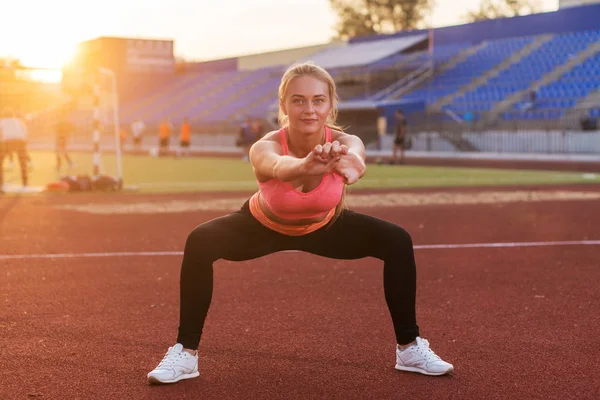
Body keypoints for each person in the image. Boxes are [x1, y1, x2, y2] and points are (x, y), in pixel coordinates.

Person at [147, 62, 454, 384]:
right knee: (200, 240)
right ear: (283, 106)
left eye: (318, 100)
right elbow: (278, 166)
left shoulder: (344, 142)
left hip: (325, 228)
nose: (309, 109)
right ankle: (185, 353)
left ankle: (409, 348)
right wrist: (306, 165)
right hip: (262, 227)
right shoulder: (264, 145)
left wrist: (354, 165)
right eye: (298, 100)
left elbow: (357, 157)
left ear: (331, 105)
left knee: (397, 240)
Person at [0, 109, 29, 193]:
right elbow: (26, 132)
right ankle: (25, 183)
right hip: (21, 141)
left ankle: (1, 184)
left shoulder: (1, 121)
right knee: (23, 162)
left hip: (8, 141)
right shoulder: (19, 121)